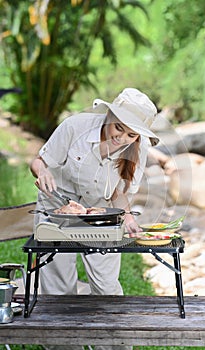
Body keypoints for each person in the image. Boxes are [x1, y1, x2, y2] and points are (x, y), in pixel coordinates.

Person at [30, 87, 159, 350]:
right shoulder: (75, 126)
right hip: (57, 207)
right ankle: (64, 346)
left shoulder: (137, 147)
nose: (122, 138)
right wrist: (43, 173)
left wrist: (126, 216)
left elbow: (119, 194)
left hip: (100, 213)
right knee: (59, 290)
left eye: (131, 134)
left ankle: (112, 345)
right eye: (119, 129)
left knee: (106, 286)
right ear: (110, 115)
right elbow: (39, 161)